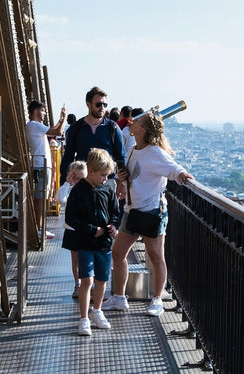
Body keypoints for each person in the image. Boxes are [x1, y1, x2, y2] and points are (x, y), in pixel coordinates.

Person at [105, 110, 194, 317]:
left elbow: (174, 168)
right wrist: (121, 178)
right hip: (133, 209)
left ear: (144, 130)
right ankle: (119, 297)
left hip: (152, 209)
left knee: (155, 255)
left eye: (138, 121)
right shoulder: (135, 148)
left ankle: (156, 299)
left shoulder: (154, 152)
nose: (132, 122)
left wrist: (183, 176)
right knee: (118, 253)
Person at [61, 149, 119, 335]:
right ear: (92, 171)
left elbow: (115, 213)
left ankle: (97, 310)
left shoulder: (108, 189)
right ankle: (84, 318)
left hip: (103, 243)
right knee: (87, 279)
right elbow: (71, 217)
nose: (105, 178)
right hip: (85, 242)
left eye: (107, 175)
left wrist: (113, 226)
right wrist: (91, 230)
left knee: (102, 280)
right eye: (102, 175)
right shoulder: (78, 190)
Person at [59, 86, 125, 183]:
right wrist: (64, 182)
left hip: (107, 184)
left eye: (104, 105)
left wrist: (122, 183)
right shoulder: (77, 128)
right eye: (98, 104)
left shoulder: (113, 128)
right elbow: (68, 156)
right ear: (88, 104)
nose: (102, 108)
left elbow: (121, 157)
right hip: (83, 183)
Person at [26, 101, 67, 237]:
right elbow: (58, 132)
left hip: (41, 164)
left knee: (41, 197)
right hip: (41, 165)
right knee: (41, 198)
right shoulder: (34, 125)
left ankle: (40, 228)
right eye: (43, 111)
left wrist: (60, 120)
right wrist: (65, 118)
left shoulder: (34, 126)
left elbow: (51, 130)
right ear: (36, 111)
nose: (44, 113)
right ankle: (39, 229)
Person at [55, 161, 86, 299]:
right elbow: (61, 199)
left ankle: (88, 283)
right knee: (75, 258)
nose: (78, 182)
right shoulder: (69, 190)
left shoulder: (90, 189)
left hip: (86, 229)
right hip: (72, 229)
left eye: (82, 178)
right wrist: (67, 183)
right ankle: (77, 283)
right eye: (76, 178)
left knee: (87, 257)